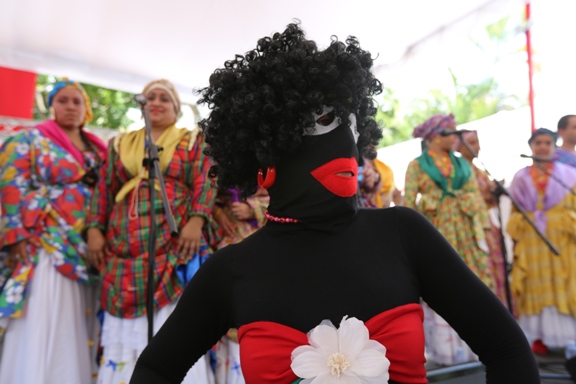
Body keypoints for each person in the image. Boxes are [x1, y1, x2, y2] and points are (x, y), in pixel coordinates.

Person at [130, 24, 539, 384]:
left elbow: (507, 350)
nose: (345, 141)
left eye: (350, 122)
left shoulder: (403, 233)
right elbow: (156, 370)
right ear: (266, 150)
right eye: (322, 122)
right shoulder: (231, 270)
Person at [85, 79, 217, 384]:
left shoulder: (192, 140)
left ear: (176, 108)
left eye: (164, 98)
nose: (155, 102)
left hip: (172, 244)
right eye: (149, 98)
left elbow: (205, 180)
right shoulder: (120, 143)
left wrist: (196, 221)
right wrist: (94, 230)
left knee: (172, 324)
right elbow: (104, 189)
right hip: (123, 249)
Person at [0, 79, 107, 383]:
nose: (70, 107)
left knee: (79, 315)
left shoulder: (98, 148)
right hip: (46, 239)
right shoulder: (30, 139)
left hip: (88, 244)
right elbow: (9, 184)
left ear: (86, 108)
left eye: (76, 101)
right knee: (47, 311)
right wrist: (16, 236)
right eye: (63, 100)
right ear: (51, 106)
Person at [404, 115, 496, 366]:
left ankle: (479, 348)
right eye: (451, 133)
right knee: (443, 282)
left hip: (465, 228)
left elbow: (474, 195)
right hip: (436, 231)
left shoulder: (461, 164)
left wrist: (483, 228)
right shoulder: (417, 165)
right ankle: (448, 352)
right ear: (435, 137)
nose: (456, 138)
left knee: (473, 278)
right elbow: (409, 203)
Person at [507, 128, 576, 355]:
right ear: (531, 146)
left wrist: (562, 220)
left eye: (547, 142)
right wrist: (525, 225)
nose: (543, 147)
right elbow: (515, 213)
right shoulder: (520, 177)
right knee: (534, 285)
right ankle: (538, 338)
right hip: (532, 241)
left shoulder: (568, 174)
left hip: (562, 240)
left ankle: (569, 339)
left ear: (554, 146)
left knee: (564, 284)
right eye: (538, 143)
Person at [212, 187, 269, 384]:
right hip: (226, 245)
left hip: (260, 250)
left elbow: (294, 197)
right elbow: (205, 194)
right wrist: (218, 213)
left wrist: (254, 208)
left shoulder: (275, 160)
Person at [454, 130, 509, 310]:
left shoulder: (479, 169)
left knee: (496, 266)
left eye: (477, 142)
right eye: (471, 142)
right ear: (459, 147)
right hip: (472, 227)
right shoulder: (459, 170)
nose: (476, 147)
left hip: (488, 224)